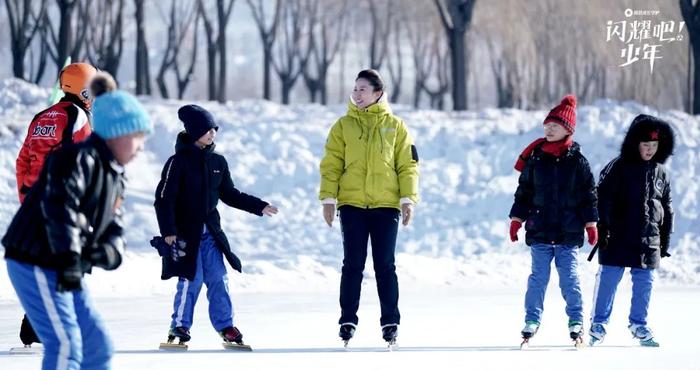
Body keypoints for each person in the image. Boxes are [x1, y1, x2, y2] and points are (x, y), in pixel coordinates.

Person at [3, 90, 152, 370]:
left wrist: (109, 251)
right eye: (138, 137)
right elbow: (60, 209)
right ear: (117, 134)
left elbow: (113, 227)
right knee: (66, 345)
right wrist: (72, 257)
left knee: (97, 347)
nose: (142, 146)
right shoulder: (75, 159)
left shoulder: (115, 176)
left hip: (65, 264)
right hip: (34, 259)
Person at [154, 104, 279, 346]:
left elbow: (230, 194)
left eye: (213, 129)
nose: (212, 133)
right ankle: (179, 326)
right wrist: (168, 231)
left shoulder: (218, 162)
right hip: (183, 234)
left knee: (219, 278)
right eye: (206, 129)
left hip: (210, 233)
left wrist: (258, 206)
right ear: (192, 132)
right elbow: (163, 200)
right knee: (191, 278)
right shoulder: (176, 162)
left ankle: (226, 326)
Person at [319, 69, 419, 345]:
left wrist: (407, 199)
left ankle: (390, 321)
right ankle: (347, 319)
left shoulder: (396, 126)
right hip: (351, 205)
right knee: (352, 264)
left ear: (378, 93)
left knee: (385, 266)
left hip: (386, 207)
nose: (357, 93)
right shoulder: (343, 126)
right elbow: (331, 164)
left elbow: (407, 165)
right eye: (355, 88)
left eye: (363, 89)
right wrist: (328, 199)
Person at [15, 61, 98, 348]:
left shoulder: (42, 116)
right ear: (82, 91)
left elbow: (24, 158)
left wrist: (26, 196)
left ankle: (36, 325)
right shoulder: (78, 117)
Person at [508, 95, 598, 345]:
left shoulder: (578, 162)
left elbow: (588, 196)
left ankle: (576, 320)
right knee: (538, 279)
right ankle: (532, 319)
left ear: (568, 129)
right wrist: (517, 218)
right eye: (547, 124)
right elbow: (524, 192)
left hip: (568, 234)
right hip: (540, 231)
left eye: (554, 125)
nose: (548, 128)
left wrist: (591, 223)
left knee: (569, 279)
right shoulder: (536, 159)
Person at [588, 114, 674, 347]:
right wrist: (603, 227)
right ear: (634, 143)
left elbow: (666, 207)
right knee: (608, 278)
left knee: (645, 281)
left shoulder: (662, 173)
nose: (649, 150)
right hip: (617, 236)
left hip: (648, 240)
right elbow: (602, 198)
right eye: (645, 145)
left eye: (654, 145)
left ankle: (639, 323)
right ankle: (598, 323)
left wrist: (664, 239)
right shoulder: (618, 167)